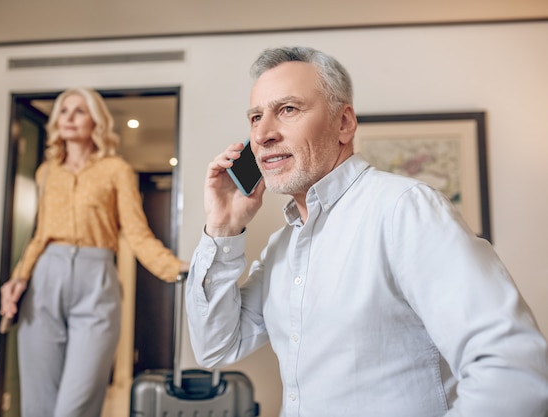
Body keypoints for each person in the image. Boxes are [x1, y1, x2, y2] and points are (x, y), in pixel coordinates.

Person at [185, 46, 548, 416]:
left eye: (288, 110)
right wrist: (223, 228)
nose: (262, 135)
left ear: (343, 124)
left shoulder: (404, 209)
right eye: (255, 116)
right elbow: (216, 346)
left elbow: (513, 370)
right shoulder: (282, 246)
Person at [0, 87, 189, 417]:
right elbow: (40, 235)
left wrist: (177, 269)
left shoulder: (117, 170)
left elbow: (137, 233)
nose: (69, 118)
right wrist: (18, 278)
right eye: (64, 111)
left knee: (75, 407)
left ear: (96, 121)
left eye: (79, 111)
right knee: (38, 406)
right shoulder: (47, 172)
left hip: (96, 281)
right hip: (45, 279)